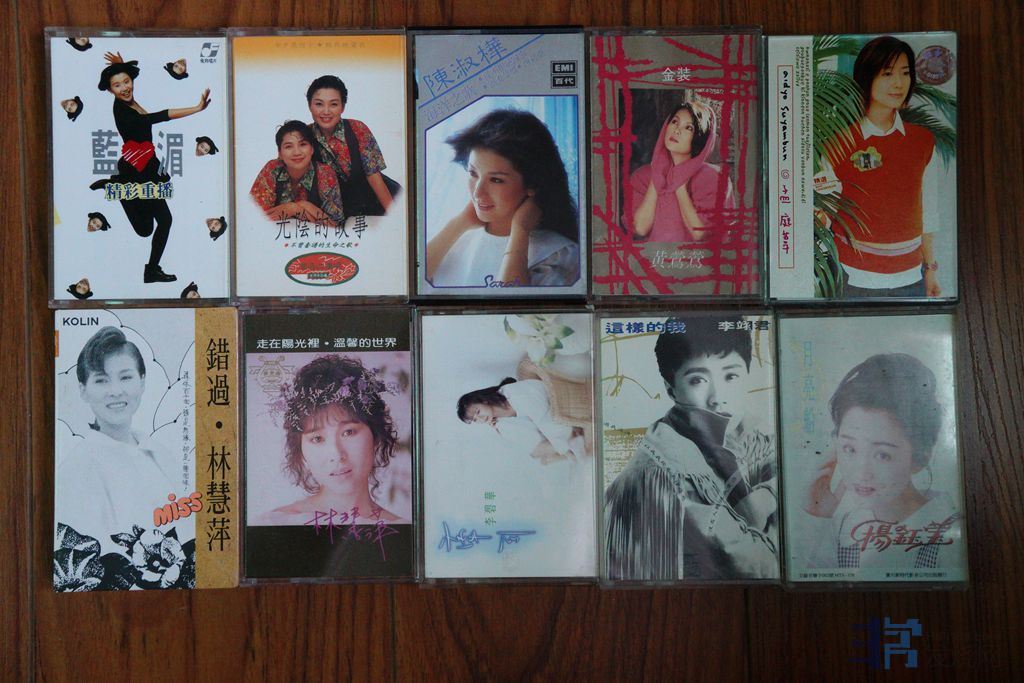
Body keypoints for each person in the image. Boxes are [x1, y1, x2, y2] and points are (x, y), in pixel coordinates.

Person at [604, 316, 778, 581]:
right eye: (697, 380)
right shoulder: (666, 472)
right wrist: (770, 502)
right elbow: (761, 565)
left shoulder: (740, 431)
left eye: (731, 376)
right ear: (671, 390)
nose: (718, 398)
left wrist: (764, 498)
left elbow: (780, 461)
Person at [803, 354, 960, 569]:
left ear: (920, 457)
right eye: (850, 449)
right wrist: (819, 517)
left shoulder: (952, 535)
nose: (861, 472)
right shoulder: (841, 527)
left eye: (882, 455)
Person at [819, 36, 944, 298]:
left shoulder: (922, 141)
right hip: (852, 277)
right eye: (887, 73)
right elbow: (824, 213)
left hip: (911, 279)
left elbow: (929, 211)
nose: (898, 83)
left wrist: (930, 270)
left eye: (905, 73)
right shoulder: (838, 143)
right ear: (868, 78)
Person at [92, 51, 211, 283]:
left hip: (145, 163)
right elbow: (161, 116)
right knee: (152, 226)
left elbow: (134, 100)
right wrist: (196, 108)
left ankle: (151, 270)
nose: (125, 88)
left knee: (152, 226)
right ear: (110, 91)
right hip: (135, 170)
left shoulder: (128, 101)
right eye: (117, 85)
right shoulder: (125, 114)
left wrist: (120, 67)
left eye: (127, 81)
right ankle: (117, 188)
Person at [426, 109, 580, 287]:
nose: (477, 193)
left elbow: (512, 304)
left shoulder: (559, 255)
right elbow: (410, 281)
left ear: (532, 184)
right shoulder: (455, 240)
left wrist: (520, 230)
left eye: (496, 180)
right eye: (473, 173)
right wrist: (458, 224)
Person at [55, 327, 180, 543]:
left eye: (125, 377)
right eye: (101, 380)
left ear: (142, 381)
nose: (115, 391)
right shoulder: (77, 469)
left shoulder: (159, 454)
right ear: (83, 390)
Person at [261, 355, 404, 525]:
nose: (336, 454)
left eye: (349, 432)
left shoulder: (400, 528)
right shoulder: (274, 523)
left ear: (376, 436)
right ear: (301, 450)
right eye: (317, 438)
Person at [628, 100, 735, 243]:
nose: (677, 130)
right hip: (657, 256)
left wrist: (681, 184)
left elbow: (699, 233)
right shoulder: (642, 176)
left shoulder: (714, 178)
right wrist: (658, 172)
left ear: (699, 138)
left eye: (688, 128)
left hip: (694, 257)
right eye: (674, 122)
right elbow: (640, 228)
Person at [306, 75, 394, 217]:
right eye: (319, 104)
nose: (326, 111)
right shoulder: (303, 136)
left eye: (333, 104)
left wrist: (395, 216)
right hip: (343, 213)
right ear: (310, 106)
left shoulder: (357, 129)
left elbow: (375, 178)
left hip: (378, 203)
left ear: (343, 107)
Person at [457, 377, 587, 464]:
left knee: (548, 453)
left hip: (555, 402)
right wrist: (498, 430)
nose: (480, 419)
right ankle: (566, 447)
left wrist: (565, 450)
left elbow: (545, 420)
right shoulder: (498, 419)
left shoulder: (515, 394)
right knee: (540, 456)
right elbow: (526, 440)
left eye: (478, 412)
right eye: (475, 420)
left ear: (483, 401)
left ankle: (572, 442)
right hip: (545, 420)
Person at [249, 120, 344, 225]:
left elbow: (335, 225)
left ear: (312, 149)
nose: (297, 152)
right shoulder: (272, 169)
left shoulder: (325, 174)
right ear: (280, 153)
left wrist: (300, 207)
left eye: (303, 144)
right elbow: (253, 216)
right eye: (289, 146)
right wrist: (301, 210)